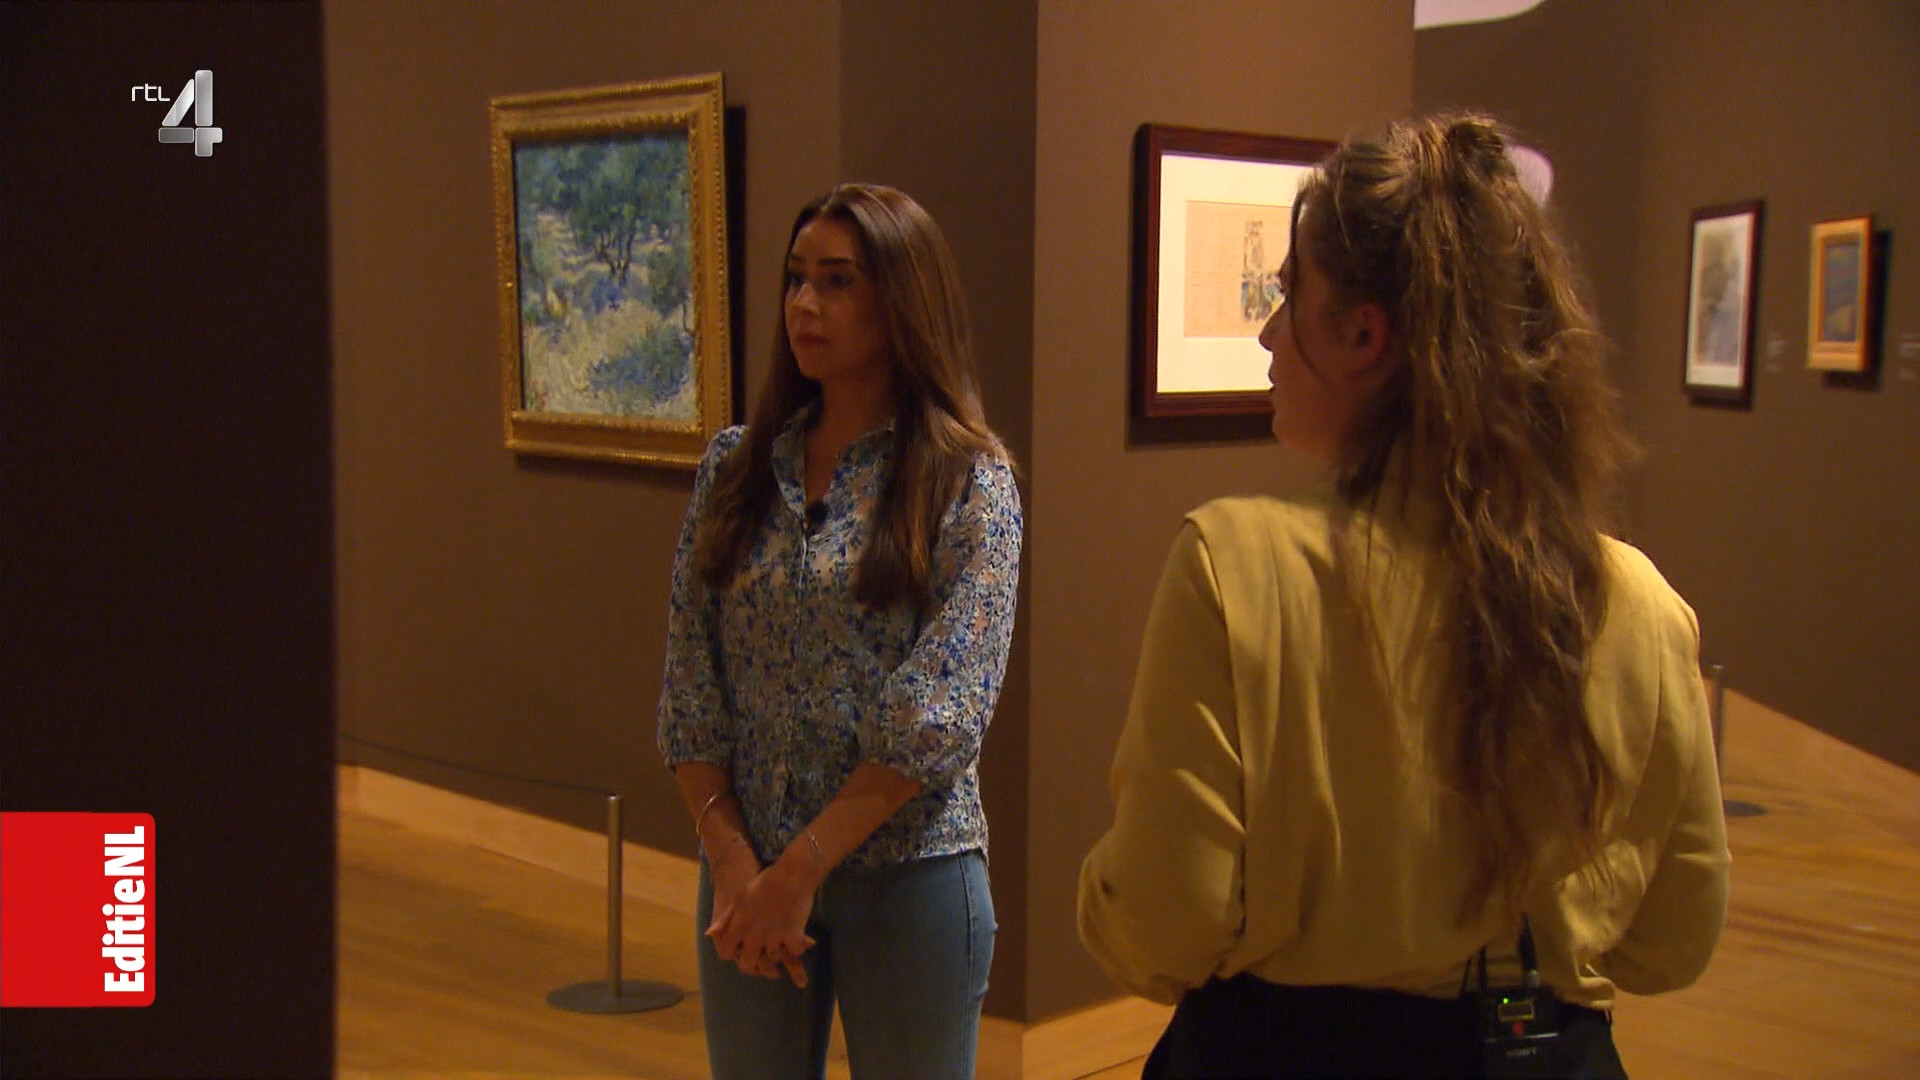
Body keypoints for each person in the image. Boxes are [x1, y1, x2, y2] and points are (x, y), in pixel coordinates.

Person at [1077, 114, 1730, 1079]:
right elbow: (1672, 941)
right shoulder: (1639, 602)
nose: (1267, 332)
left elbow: (1162, 923)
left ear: (1363, 334)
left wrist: (1100, 897)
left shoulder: (1233, 566)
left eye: (1290, 296)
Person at [656, 182, 1020, 1080]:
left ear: (902, 300)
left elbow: (941, 709)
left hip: (907, 870)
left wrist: (802, 869)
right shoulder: (736, 469)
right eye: (795, 279)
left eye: (837, 281)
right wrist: (736, 861)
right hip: (745, 871)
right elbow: (691, 687)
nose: (805, 304)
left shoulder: (965, 480)